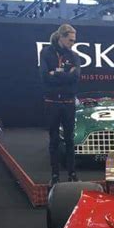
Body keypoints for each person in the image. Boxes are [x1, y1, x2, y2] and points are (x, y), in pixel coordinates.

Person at [40, 24, 81, 187]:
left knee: (70, 140)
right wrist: (65, 74)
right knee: (54, 140)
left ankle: (72, 174)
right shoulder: (46, 53)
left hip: (69, 102)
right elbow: (44, 77)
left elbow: (75, 77)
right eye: (70, 40)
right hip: (52, 102)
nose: (72, 43)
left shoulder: (75, 56)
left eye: (74, 40)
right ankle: (55, 175)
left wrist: (55, 73)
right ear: (61, 37)